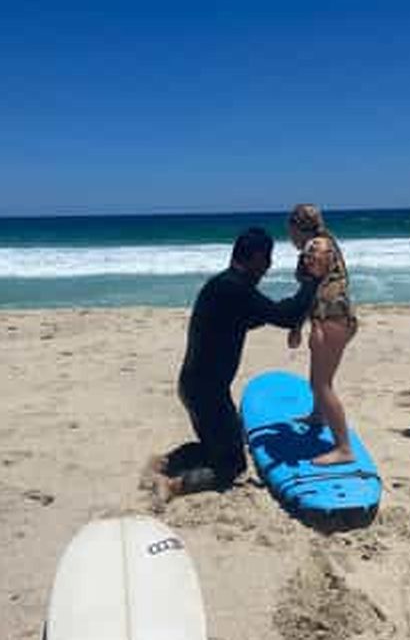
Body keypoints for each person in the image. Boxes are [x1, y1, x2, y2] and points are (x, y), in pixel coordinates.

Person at [148, 227, 324, 502]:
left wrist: (295, 302)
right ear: (254, 258)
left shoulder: (222, 285)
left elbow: (259, 316)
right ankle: (173, 485)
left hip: (196, 386)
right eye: (266, 259)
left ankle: (162, 463)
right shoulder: (235, 289)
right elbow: (283, 315)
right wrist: (311, 282)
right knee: (232, 466)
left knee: (219, 446)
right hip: (208, 393)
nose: (268, 266)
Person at [286, 204, 358, 466]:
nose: (289, 237)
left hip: (332, 320)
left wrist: (310, 326)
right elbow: (319, 288)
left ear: (297, 228)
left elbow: (316, 290)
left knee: (321, 384)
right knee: (318, 377)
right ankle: (318, 415)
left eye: (290, 231)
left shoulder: (316, 248)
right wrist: (301, 325)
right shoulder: (326, 242)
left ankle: (344, 448)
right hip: (339, 317)